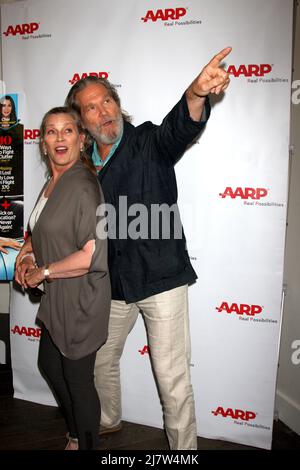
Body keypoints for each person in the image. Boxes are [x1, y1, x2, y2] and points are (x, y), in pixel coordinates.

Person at [20, 47, 231, 450]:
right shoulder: (79, 171)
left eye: (108, 102)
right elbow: (59, 225)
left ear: (119, 105)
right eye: (92, 108)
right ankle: (107, 421)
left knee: (172, 379)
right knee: (99, 363)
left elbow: (178, 128)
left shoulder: (148, 142)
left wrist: (196, 94)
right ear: (81, 122)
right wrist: (30, 250)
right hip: (110, 285)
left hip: (161, 280)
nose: (104, 112)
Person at [15, 106, 111, 450]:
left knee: (78, 381)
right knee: (50, 365)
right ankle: (74, 433)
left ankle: (85, 443)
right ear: (43, 143)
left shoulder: (84, 186)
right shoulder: (52, 181)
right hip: (58, 298)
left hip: (81, 300)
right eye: (52, 131)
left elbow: (90, 255)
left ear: (81, 139)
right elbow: (40, 229)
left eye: (68, 130)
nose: (59, 138)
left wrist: (43, 271)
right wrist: (26, 254)